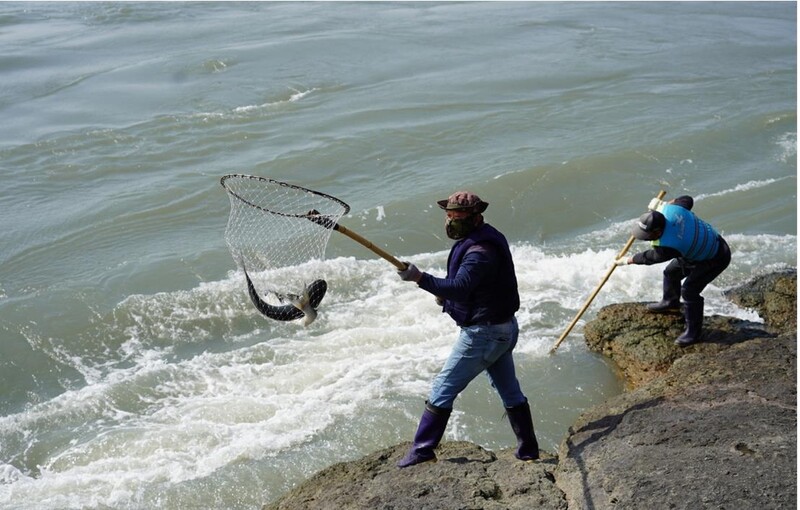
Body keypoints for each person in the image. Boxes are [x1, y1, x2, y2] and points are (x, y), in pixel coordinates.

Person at [395, 190, 539, 468]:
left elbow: (461, 288)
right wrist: (443, 295)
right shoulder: (484, 239)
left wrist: (419, 278)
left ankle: (422, 450)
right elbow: (476, 287)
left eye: (457, 216)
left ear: (475, 217)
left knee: (442, 389)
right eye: (449, 215)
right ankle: (528, 449)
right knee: (510, 391)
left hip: (484, 334)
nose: (451, 221)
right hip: (503, 328)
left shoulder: (480, 251)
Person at [615, 195, 731, 346]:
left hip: (715, 257)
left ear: (657, 232)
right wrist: (663, 204)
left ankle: (693, 333)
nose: (645, 238)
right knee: (671, 272)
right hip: (698, 248)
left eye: (647, 235)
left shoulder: (669, 245)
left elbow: (650, 257)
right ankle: (670, 301)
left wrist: (627, 260)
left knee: (689, 291)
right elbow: (687, 199)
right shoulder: (672, 209)